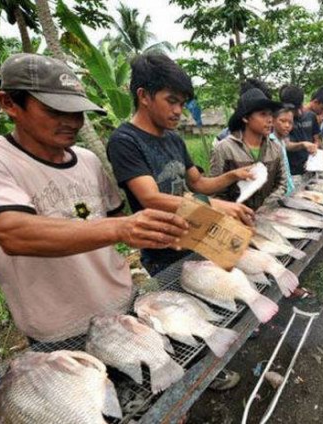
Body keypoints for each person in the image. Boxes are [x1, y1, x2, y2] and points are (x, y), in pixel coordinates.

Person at [0, 53, 189, 344]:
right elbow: (12, 232)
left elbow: (113, 225)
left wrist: (158, 232)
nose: (72, 122)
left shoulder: (87, 160)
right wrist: (124, 228)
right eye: (55, 110)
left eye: (77, 112)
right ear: (9, 104)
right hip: (60, 328)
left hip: (122, 303)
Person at [107, 53, 252, 391]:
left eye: (182, 103)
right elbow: (151, 198)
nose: (178, 111)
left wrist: (231, 175)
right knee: (180, 312)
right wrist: (215, 206)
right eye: (171, 101)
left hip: (197, 236)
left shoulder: (173, 138)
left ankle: (218, 348)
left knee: (211, 296)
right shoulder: (124, 141)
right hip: (161, 246)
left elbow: (198, 184)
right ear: (143, 95)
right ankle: (201, 375)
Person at [210, 88, 288, 210]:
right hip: (235, 219)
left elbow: (282, 183)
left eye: (270, 114)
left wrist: (267, 206)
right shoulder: (224, 148)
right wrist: (234, 211)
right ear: (246, 118)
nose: (269, 120)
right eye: (263, 114)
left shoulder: (275, 148)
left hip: (267, 216)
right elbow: (215, 190)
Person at [280, 84, 320, 175]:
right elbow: (285, 144)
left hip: (310, 169)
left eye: (293, 109)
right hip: (292, 173)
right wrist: (303, 144)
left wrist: (313, 154)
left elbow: (317, 140)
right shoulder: (282, 121)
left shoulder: (311, 116)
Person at [270, 104, 296, 195]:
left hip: (288, 191)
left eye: (290, 122)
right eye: (282, 121)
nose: (287, 125)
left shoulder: (281, 141)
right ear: (272, 121)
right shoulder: (271, 142)